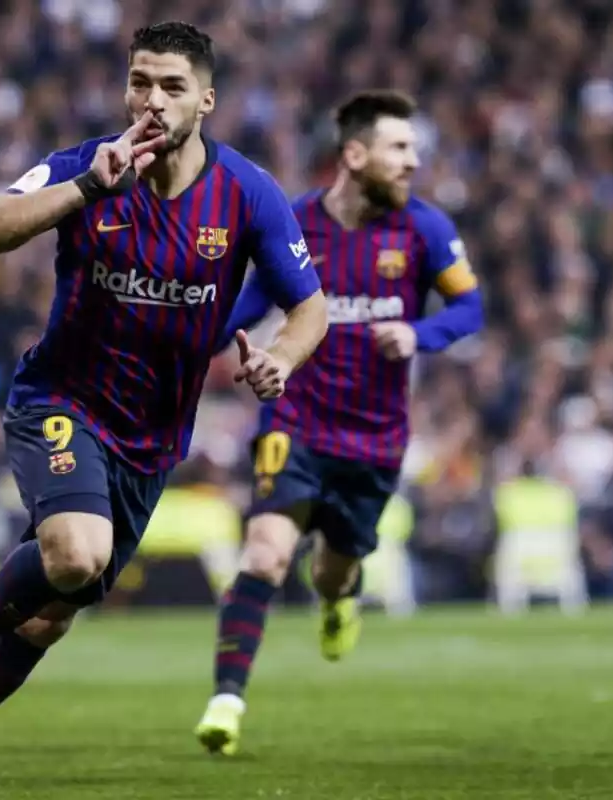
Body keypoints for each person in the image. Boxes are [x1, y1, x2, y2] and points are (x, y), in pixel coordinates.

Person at [0, 21, 330, 799]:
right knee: (77, 556)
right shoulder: (83, 169)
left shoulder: (247, 194)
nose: (151, 101)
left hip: (150, 443)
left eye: (172, 87)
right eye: (139, 83)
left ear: (208, 100)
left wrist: (279, 360)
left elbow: (311, 309)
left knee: (49, 618)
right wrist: (88, 187)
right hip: (60, 400)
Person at [194, 89, 485, 756]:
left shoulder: (426, 229)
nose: (413, 162)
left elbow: (469, 310)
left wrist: (419, 333)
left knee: (329, 573)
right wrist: (190, 344)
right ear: (355, 155)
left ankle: (339, 594)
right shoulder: (294, 225)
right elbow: (247, 306)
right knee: (264, 552)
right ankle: (226, 701)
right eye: (400, 148)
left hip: (376, 437)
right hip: (294, 420)